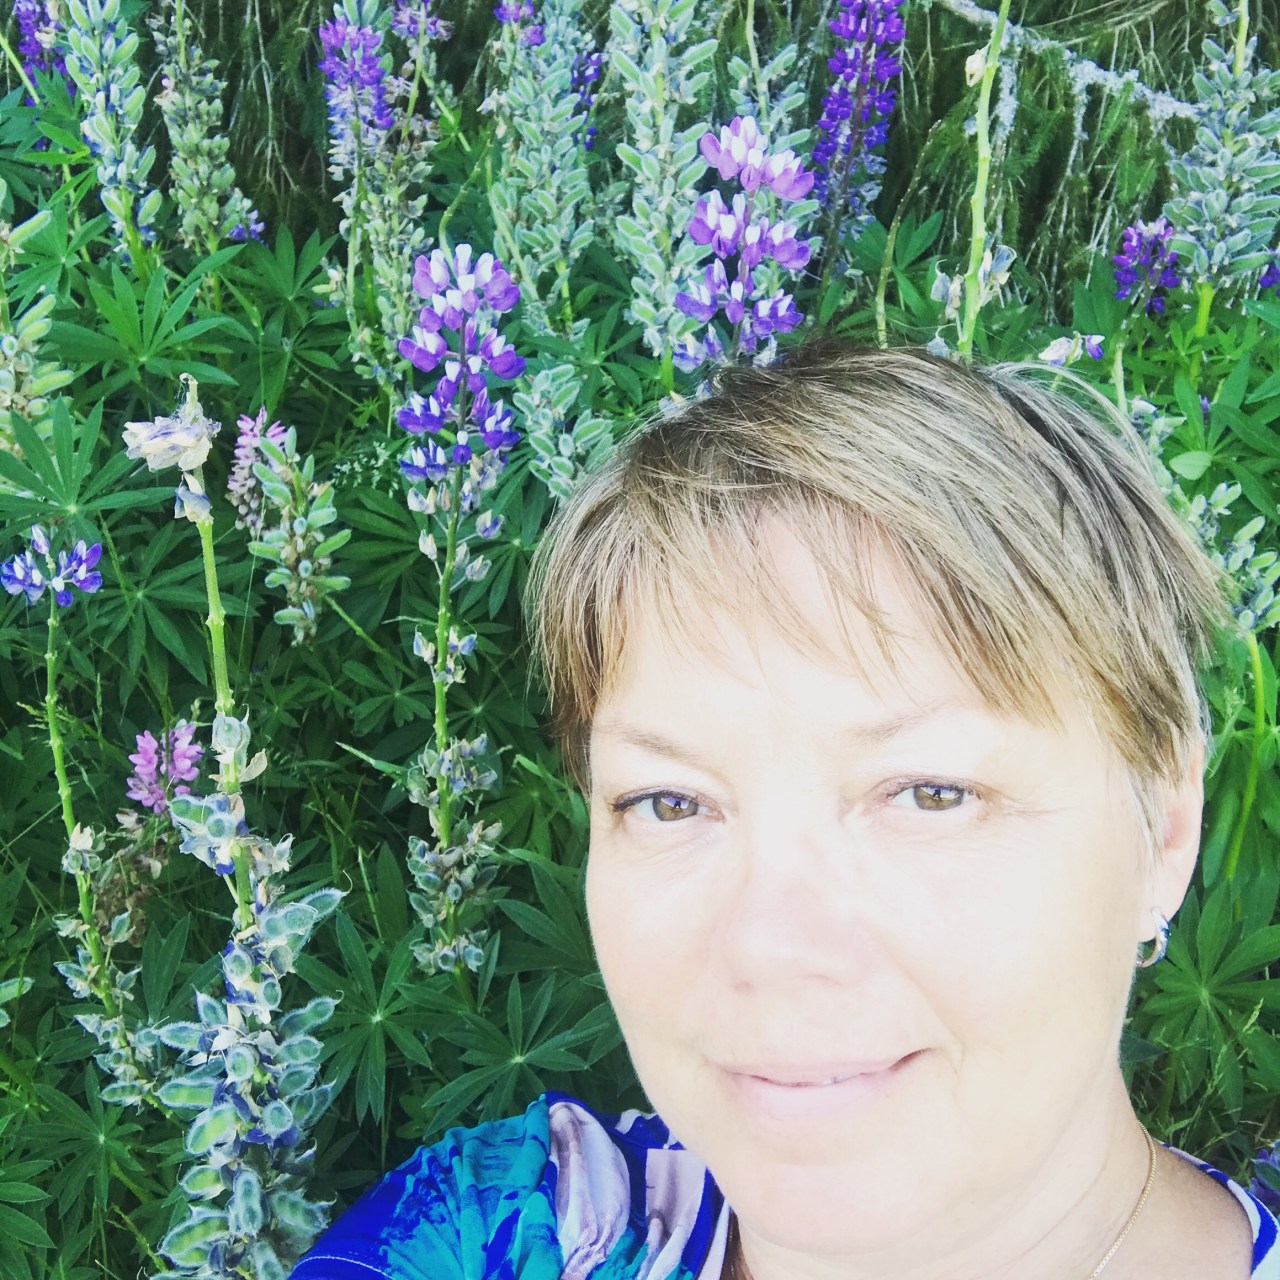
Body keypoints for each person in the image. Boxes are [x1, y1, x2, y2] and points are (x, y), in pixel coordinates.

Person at [291, 343, 1280, 1279]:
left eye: (929, 793)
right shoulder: (501, 1231)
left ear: (1162, 828)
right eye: (669, 801)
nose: (767, 944)